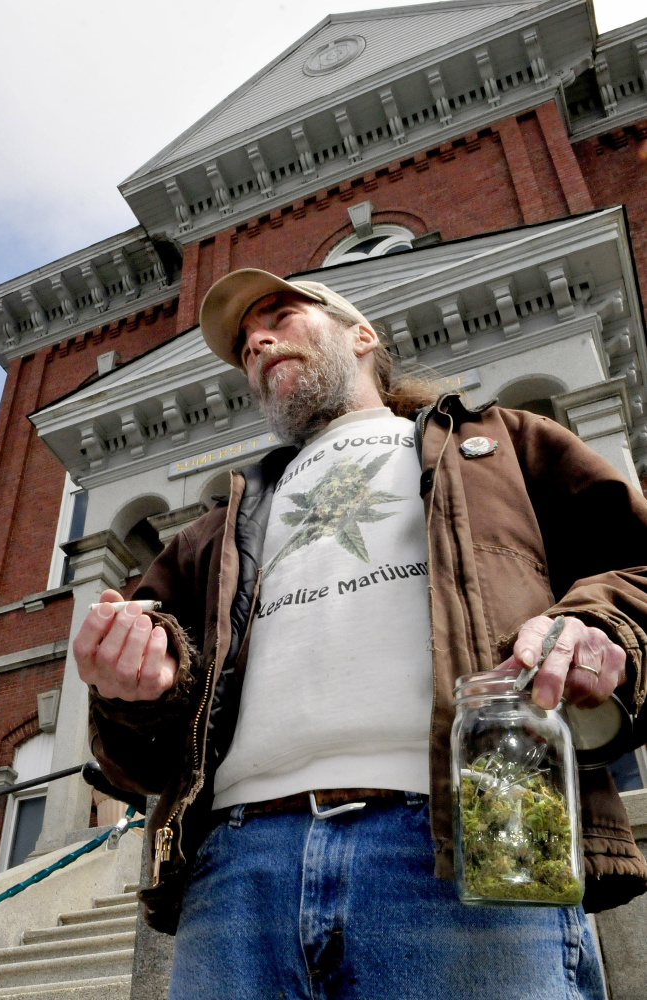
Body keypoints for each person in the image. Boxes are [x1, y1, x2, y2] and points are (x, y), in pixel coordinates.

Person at [75, 268, 647, 1000]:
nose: (256, 340)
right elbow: (139, 743)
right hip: (238, 870)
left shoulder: (500, 445)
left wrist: (594, 623)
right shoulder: (212, 532)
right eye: (246, 346)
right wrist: (136, 688)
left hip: (475, 833)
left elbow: (634, 564)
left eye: (280, 314)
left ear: (362, 335)